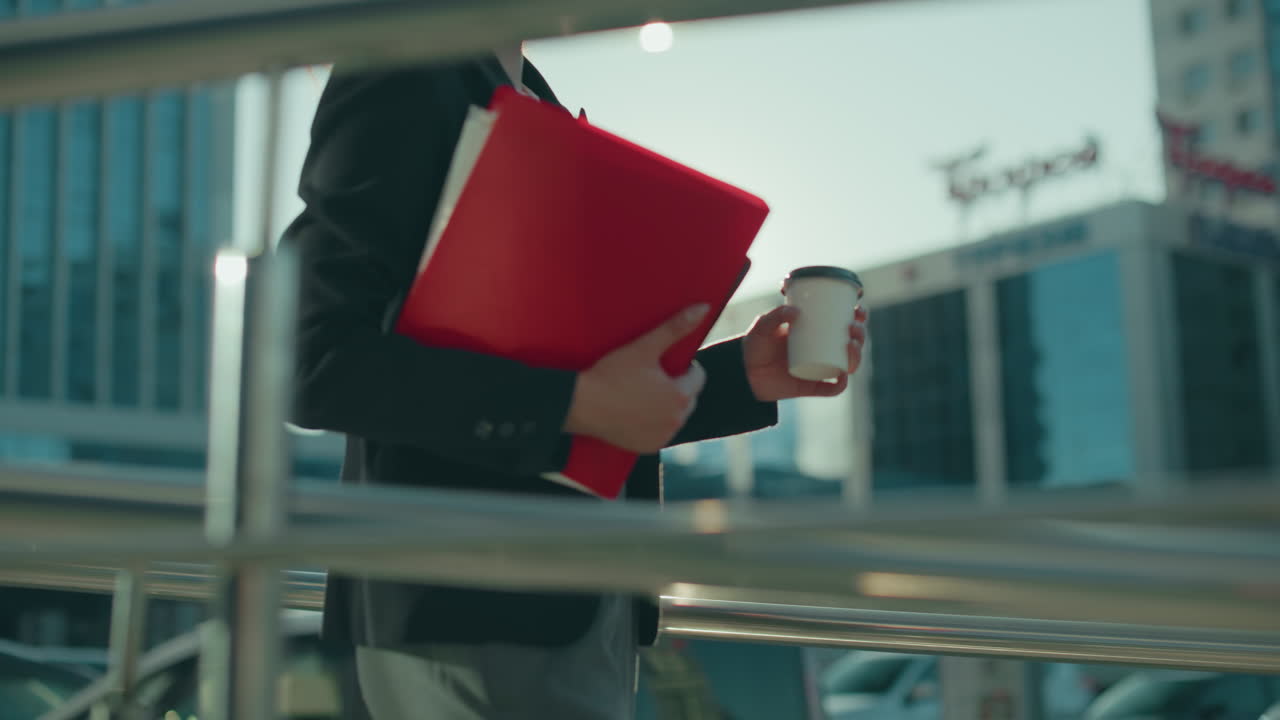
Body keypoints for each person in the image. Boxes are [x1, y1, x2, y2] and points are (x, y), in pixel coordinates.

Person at [280, 41, 869, 720]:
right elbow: (311, 359)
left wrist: (742, 377)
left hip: (581, 601)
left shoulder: (530, 91)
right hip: (472, 604)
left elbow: (577, 386)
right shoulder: (406, 66)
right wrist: (573, 402)